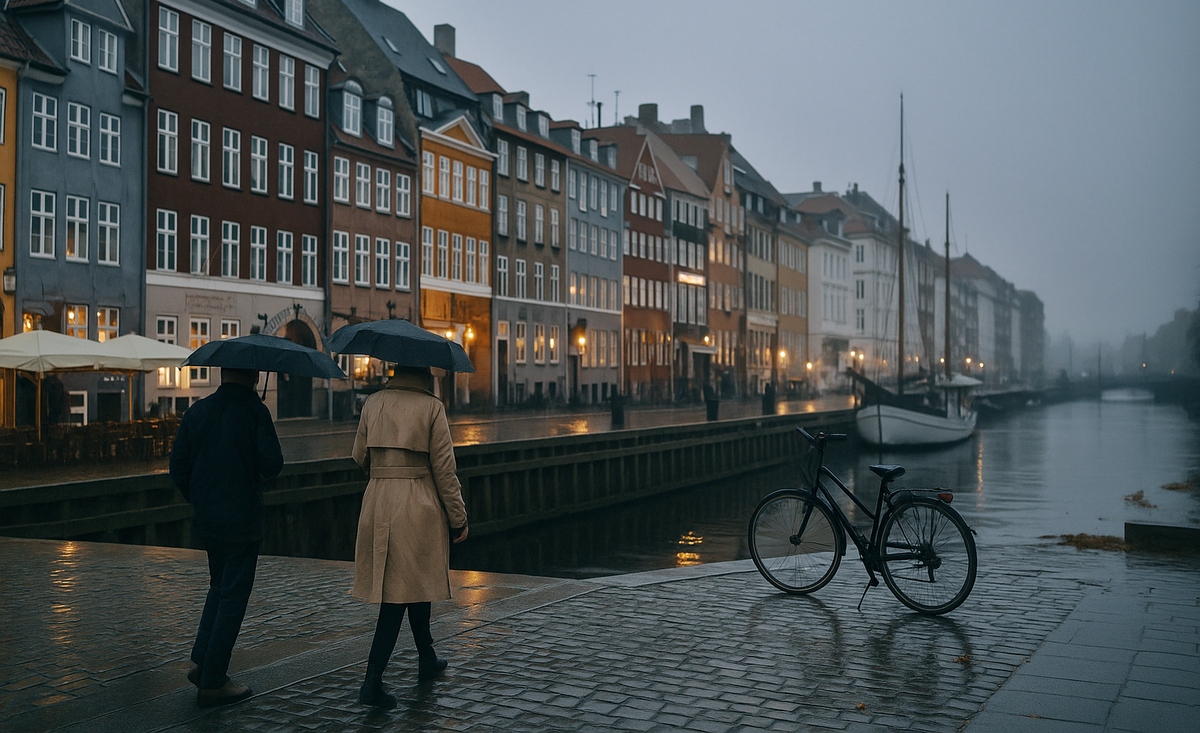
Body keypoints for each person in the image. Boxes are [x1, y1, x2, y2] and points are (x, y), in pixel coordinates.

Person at [351, 365, 468, 709]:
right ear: (424, 373)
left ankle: (427, 658)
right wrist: (457, 517)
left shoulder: (373, 401)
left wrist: (383, 473)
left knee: (413, 585)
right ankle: (371, 682)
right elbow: (445, 469)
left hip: (378, 501)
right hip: (418, 503)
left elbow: (359, 457)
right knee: (397, 596)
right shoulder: (432, 407)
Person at [169, 367, 283, 708]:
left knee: (218, 587)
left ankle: (202, 660)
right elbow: (273, 464)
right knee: (233, 597)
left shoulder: (198, 410)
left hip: (208, 518)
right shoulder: (255, 411)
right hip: (242, 518)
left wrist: (200, 498)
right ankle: (214, 680)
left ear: (222, 373)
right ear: (253, 375)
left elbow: (178, 465)